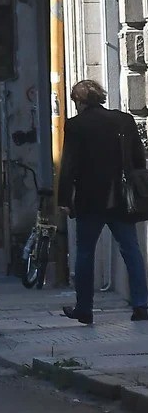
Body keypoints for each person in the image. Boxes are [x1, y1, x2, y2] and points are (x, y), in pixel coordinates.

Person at [58, 80, 148, 325]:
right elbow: (139, 158)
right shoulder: (124, 120)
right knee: (131, 251)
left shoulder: (76, 125)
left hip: (90, 199)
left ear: (79, 101)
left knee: (85, 252)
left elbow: (69, 165)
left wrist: (64, 199)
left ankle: (84, 308)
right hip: (122, 198)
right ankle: (141, 304)